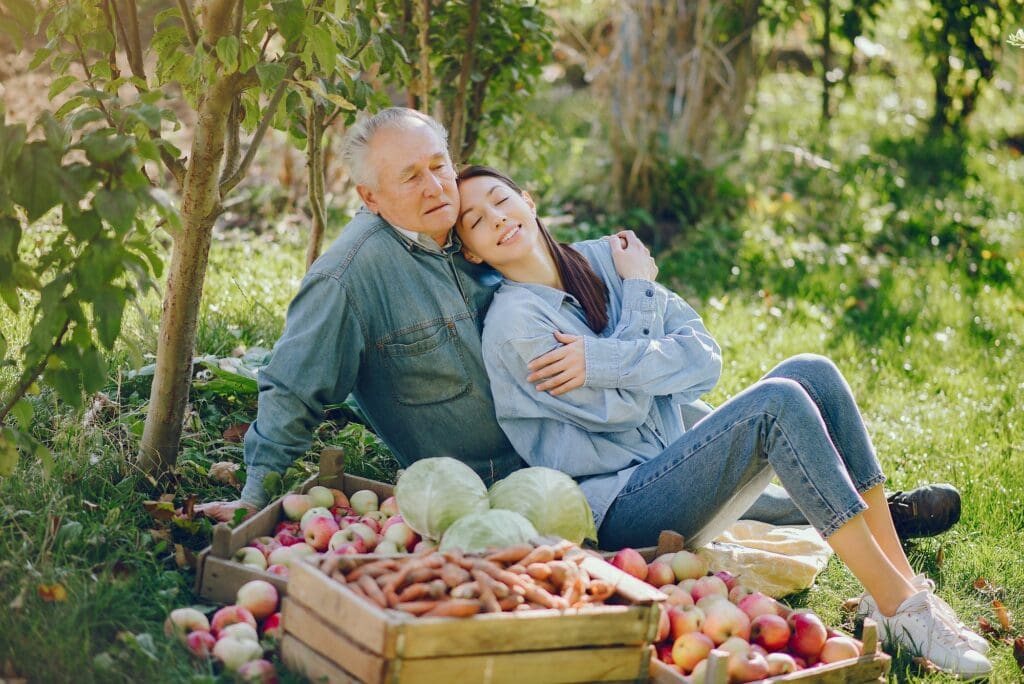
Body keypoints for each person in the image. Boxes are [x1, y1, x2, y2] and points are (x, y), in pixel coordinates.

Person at [195, 108, 960, 543]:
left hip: (590, 422)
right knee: (720, 450)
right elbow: (292, 384)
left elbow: (592, 308)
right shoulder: (350, 277)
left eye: (439, 164)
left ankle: (873, 517)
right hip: (518, 471)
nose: (436, 186)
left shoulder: (470, 236)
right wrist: (257, 487)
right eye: (411, 177)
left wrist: (633, 293)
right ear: (367, 198)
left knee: (716, 430)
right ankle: (870, 525)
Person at [453, 165, 991, 678]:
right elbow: (626, 406)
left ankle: (895, 591)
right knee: (776, 403)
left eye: (500, 200)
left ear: (528, 201)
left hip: (669, 462)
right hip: (619, 510)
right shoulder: (515, 325)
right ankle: (902, 611)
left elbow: (703, 359)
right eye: (475, 220)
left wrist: (601, 359)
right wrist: (641, 296)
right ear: (472, 251)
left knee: (813, 372)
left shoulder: (605, 258)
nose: (496, 218)